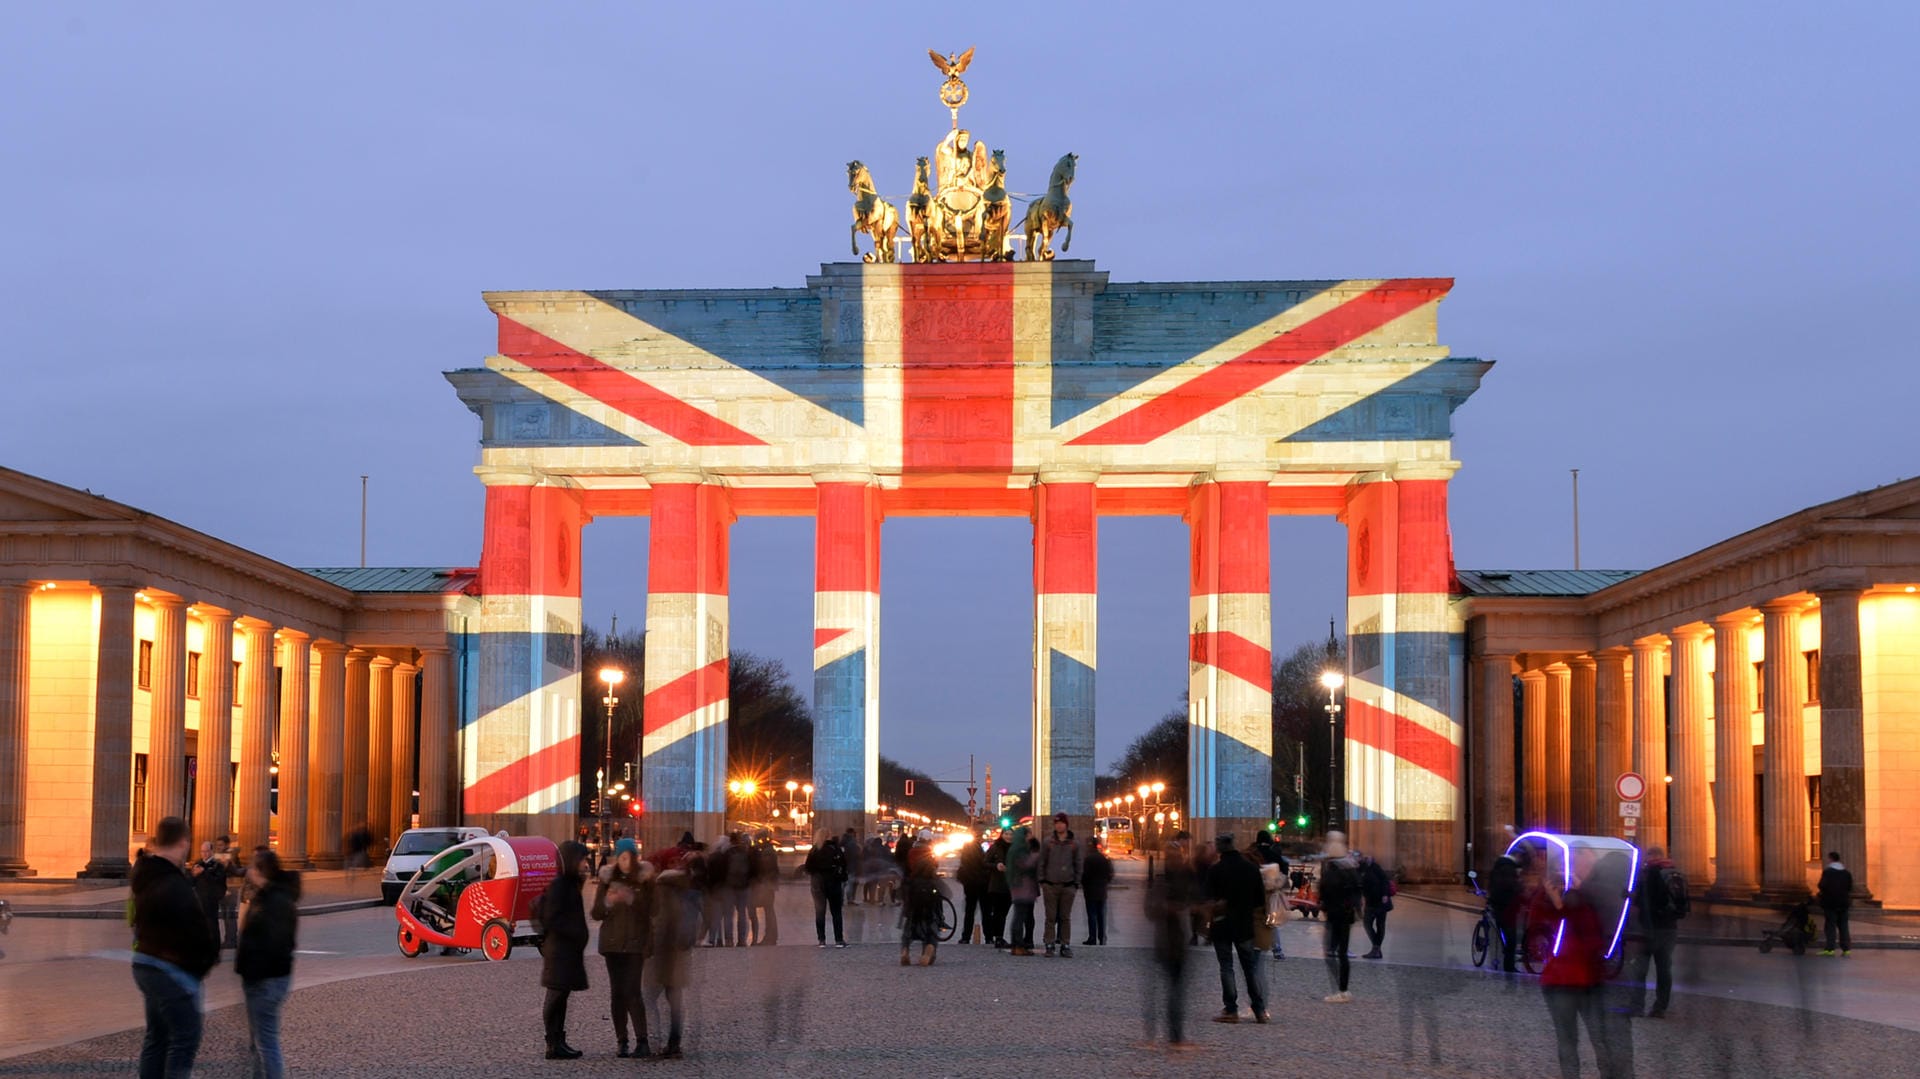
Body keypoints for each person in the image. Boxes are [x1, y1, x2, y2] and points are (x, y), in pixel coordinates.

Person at [129, 815, 219, 1079]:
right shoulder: (174, 884)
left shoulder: (145, 874)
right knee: (185, 1039)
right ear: (183, 843)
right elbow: (197, 933)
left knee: (156, 1039)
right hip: (171, 969)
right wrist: (205, 962)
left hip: (145, 962)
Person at [1533, 866, 1625, 1079]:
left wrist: (1557, 902)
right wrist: (1553, 899)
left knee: (1575, 1038)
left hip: (1570, 980)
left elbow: (1591, 939)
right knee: (1593, 1036)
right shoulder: (1583, 907)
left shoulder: (1578, 908)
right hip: (1577, 980)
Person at [235, 848, 301, 1079]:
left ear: (261, 871)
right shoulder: (267, 895)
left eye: (253, 866)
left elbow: (274, 943)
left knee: (266, 1042)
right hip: (261, 978)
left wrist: (250, 967)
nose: (249, 870)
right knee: (260, 1041)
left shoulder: (275, 901)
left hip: (266, 980)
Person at [591, 840, 652, 1058]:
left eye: (630, 857)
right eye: (622, 857)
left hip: (635, 943)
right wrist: (608, 901)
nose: (626, 861)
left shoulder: (644, 880)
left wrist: (632, 899)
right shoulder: (607, 880)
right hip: (613, 944)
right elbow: (596, 913)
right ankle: (622, 1040)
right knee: (617, 993)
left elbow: (652, 910)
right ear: (617, 858)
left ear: (636, 858)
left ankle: (642, 1040)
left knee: (633, 992)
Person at [534, 840, 591, 1059]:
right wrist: (574, 932)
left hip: (567, 951)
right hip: (559, 951)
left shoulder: (570, 883)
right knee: (555, 997)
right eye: (582, 859)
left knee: (562, 996)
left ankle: (559, 1040)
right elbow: (552, 918)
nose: (585, 864)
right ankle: (552, 1042)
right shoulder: (560, 885)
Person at [1205, 834, 1269, 1023]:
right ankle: (1259, 1009)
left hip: (1222, 923)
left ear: (1219, 849)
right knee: (1249, 968)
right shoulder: (1250, 869)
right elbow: (1259, 900)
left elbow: (1207, 897)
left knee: (1226, 967)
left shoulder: (1215, 871)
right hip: (1244, 924)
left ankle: (1231, 1009)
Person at [1142, 831, 1196, 1049]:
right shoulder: (1163, 883)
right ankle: (1171, 1035)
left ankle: (1169, 1034)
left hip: (1173, 942)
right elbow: (1151, 910)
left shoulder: (1177, 880)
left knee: (1172, 989)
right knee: (1172, 989)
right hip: (1167, 943)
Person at [645, 860, 698, 1060]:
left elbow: (659, 928)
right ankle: (674, 1044)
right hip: (680, 957)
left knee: (648, 998)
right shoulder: (686, 895)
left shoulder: (662, 895)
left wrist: (649, 953)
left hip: (662, 958)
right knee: (675, 1001)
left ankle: (654, 1043)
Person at [1625, 845, 1684, 1017]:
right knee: (1664, 969)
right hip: (1670, 928)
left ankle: (1637, 1006)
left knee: (1639, 968)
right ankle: (1660, 1007)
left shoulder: (1649, 873)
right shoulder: (1675, 873)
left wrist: (1630, 897)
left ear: (1651, 856)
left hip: (1649, 929)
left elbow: (1645, 901)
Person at [1318, 830, 1360, 1002]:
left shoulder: (1334, 868)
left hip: (1337, 913)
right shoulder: (1350, 866)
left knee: (1332, 952)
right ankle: (1342, 989)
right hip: (1346, 913)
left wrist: (1325, 904)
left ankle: (1341, 989)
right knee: (1340, 952)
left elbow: (1327, 889)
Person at [1037, 812, 1082, 957]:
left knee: (1065, 917)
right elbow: (1041, 862)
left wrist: (1076, 883)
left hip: (1068, 885)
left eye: (1061, 823)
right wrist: (1042, 880)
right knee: (1050, 917)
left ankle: (1065, 944)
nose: (1059, 825)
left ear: (1066, 824)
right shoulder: (1047, 842)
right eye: (1056, 823)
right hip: (1050, 885)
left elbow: (1078, 864)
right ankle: (1049, 944)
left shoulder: (1074, 843)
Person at [900, 831, 943, 966]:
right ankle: (929, 949)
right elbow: (933, 868)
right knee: (932, 923)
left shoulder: (911, 851)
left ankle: (905, 949)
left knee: (910, 923)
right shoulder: (929, 853)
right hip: (928, 889)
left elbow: (906, 868)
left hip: (913, 889)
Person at [805, 827, 849, 947]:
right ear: (829, 836)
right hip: (833, 883)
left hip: (818, 885)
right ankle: (839, 940)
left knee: (819, 912)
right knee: (836, 912)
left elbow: (807, 867)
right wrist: (843, 878)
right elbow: (844, 865)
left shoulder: (814, 850)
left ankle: (821, 940)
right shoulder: (835, 849)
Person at [1253, 829, 1289, 959]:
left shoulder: (1253, 855)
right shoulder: (1275, 855)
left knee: (1256, 920)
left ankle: (1256, 945)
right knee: (1272, 921)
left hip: (1255, 892)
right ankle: (1277, 949)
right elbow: (1284, 870)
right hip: (1271, 892)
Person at [1005, 824, 1040, 956]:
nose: (1031, 837)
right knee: (1020, 917)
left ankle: (1018, 944)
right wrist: (1036, 855)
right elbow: (1026, 864)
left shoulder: (1015, 848)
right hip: (1022, 887)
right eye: (1029, 834)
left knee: (1019, 916)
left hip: (1019, 887)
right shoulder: (1020, 850)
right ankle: (1018, 944)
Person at [1487, 851, 1524, 973]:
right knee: (1511, 939)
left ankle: (1498, 962)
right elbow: (1510, 886)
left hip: (1498, 906)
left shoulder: (1498, 867)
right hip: (1506, 908)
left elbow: (1492, 886)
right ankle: (1508, 967)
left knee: (1503, 937)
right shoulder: (1509, 869)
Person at [189, 840, 226, 949]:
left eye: (206, 851)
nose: (204, 854)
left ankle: (214, 951)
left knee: (212, 926)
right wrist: (193, 875)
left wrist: (204, 872)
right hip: (199, 899)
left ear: (211, 851)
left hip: (211, 900)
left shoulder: (217, 865)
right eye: (202, 851)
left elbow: (217, 880)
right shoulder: (197, 864)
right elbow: (191, 882)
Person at [956, 827, 990, 943]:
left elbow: (964, 864)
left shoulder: (968, 847)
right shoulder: (983, 848)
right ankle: (989, 937)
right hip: (981, 883)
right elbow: (984, 864)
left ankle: (966, 937)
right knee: (985, 911)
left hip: (971, 883)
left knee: (970, 911)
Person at [1817, 851, 1853, 956]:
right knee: (1844, 926)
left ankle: (1830, 948)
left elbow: (1821, 885)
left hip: (1830, 903)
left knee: (1830, 925)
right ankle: (1846, 949)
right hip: (1843, 903)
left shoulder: (1828, 872)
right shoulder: (1846, 873)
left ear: (1830, 858)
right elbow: (1850, 887)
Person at [1358, 850, 1393, 959]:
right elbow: (1357, 881)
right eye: (1365, 856)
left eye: (1369, 856)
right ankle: (1376, 947)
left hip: (1381, 901)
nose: (1367, 858)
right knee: (1367, 924)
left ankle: (1376, 949)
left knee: (1380, 925)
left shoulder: (1376, 867)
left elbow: (1385, 881)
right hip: (1370, 901)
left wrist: (1385, 894)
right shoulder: (1361, 868)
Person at [1081, 836, 1114, 945]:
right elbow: (1110, 873)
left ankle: (1092, 937)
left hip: (1090, 890)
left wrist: (1084, 884)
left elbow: (1085, 875)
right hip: (1102, 890)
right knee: (1101, 915)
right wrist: (1105, 882)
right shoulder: (1104, 858)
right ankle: (1102, 937)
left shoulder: (1088, 859)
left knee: (1092, 914)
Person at [749, 831, 780, 945]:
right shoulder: (768, 850)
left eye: (758, 839)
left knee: (769, 911)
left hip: (767, 885)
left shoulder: (767, 852)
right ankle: (771, 936)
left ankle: (770, 937)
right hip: (768, 884)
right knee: (769, 910)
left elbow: (765, 868)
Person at [983, 829, 1012, 947]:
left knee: (1004, 912)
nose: (1009, 836)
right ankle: (998, 937)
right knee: (997, 912)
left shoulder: (1015, 848)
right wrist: (996, 866)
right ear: (1002, 835)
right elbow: (984, 862)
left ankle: (998, 936)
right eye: (1006, 834)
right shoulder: (995, 847)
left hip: (1010, 885)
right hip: (996, 884)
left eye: (1011, 834)